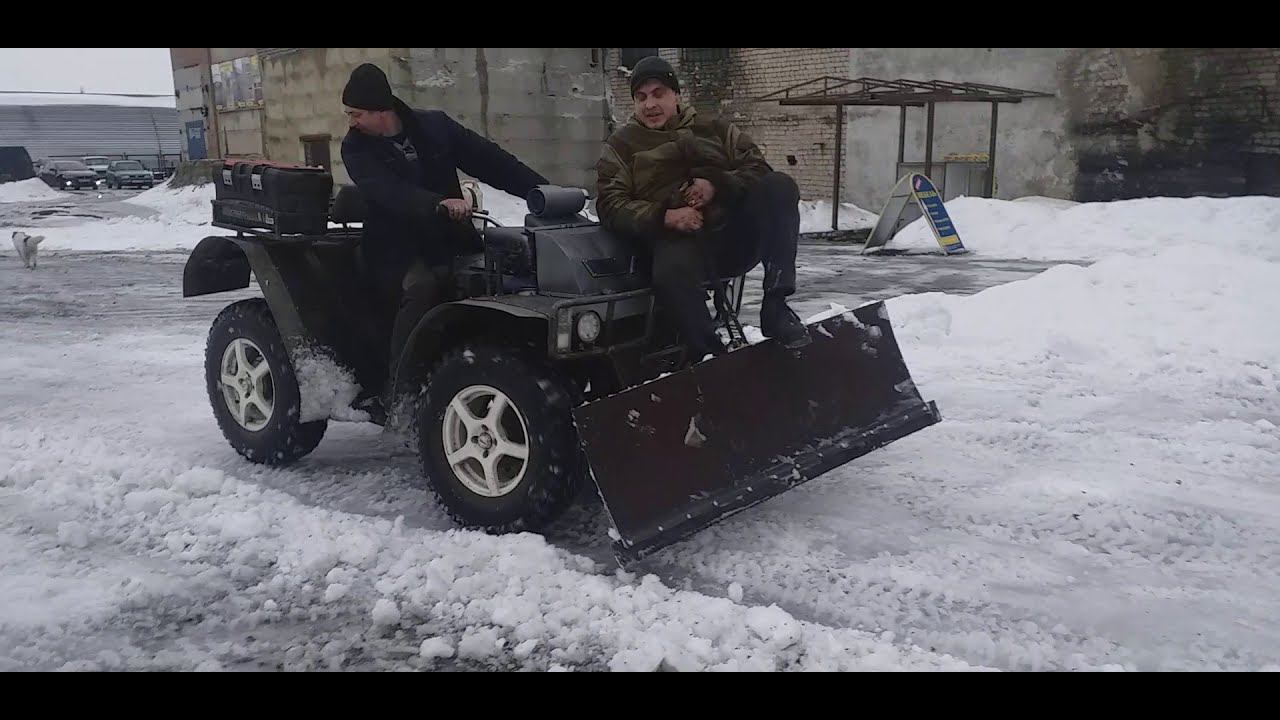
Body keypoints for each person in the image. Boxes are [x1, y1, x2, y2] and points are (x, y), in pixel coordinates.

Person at [339, 63, 549, 380]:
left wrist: (542, 191)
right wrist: (437, 203)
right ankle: (400, 387)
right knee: (422, 287)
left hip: (450, 240)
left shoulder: (434, 127)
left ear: (379, 109)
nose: (351, 122)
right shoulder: (355, 148)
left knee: (502, 278)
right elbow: (389, 192)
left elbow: (492, 161)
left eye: (356, 114)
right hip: (396, 249)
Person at [595, 56, 809, 359]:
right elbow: (609, 203)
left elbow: (758, 168)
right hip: (677, 241)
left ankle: (776, 307)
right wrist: (666, 217)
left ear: (676, 95)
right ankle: (709, 356)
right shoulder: (622, 146)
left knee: (780, 185)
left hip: (731, 234)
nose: (649, 105)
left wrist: (716, 185)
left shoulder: (715, 129)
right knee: (671, 273)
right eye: (640, 97)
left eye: (658, 94)